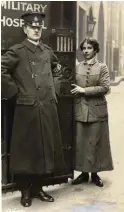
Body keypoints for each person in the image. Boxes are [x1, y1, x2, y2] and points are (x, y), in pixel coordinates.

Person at [1, 12, 66, 207]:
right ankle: (25, 192)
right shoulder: (17, 51)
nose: (36, 30)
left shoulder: (47, 51)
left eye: (39, 28)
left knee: (43, 151)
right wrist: (15, 92)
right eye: (32, 27)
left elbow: (57, 68)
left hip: (46, 107)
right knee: (27, 152)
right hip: (27, 109)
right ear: (25, 29)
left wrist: (54, 89)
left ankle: (38, 188)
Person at [71, 38, 113, 187]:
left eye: (89, 48)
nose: (86, 51)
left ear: (95, 50)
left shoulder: (102, 67)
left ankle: (95, 174)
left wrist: (84, 90)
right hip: (80, 109)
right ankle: (83, 174)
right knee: (81, 143)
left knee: (95, 142)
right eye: (84, 48)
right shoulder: (76, 67)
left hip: (97, 110)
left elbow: (105, 87)